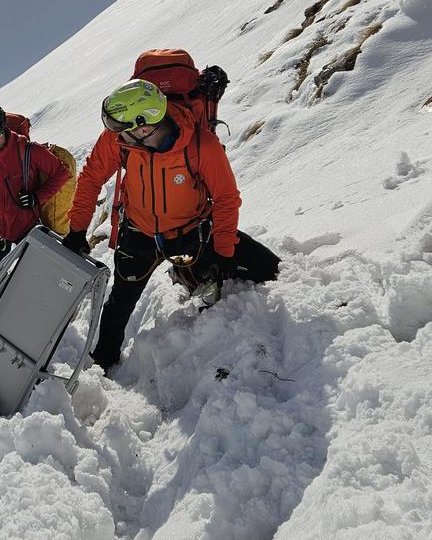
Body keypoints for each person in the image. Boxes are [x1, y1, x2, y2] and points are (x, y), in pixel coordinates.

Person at [61, 79, 279, 373]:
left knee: (269, 269)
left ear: (144, 126)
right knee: (120, 302)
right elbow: (90, 178)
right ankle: (103, 363)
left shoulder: (202, 146)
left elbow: (226, 199)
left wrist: (224, 251)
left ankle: (196, 278)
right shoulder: (120, 141)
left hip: (192, 232)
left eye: (123, 129)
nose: (115, 135)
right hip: (138, 233)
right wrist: (77, 231)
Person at [0, 102, 71, 273]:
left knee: (32, 280)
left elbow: (62, 172)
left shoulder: (28, 151)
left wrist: (37, 197)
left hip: (27, 229)